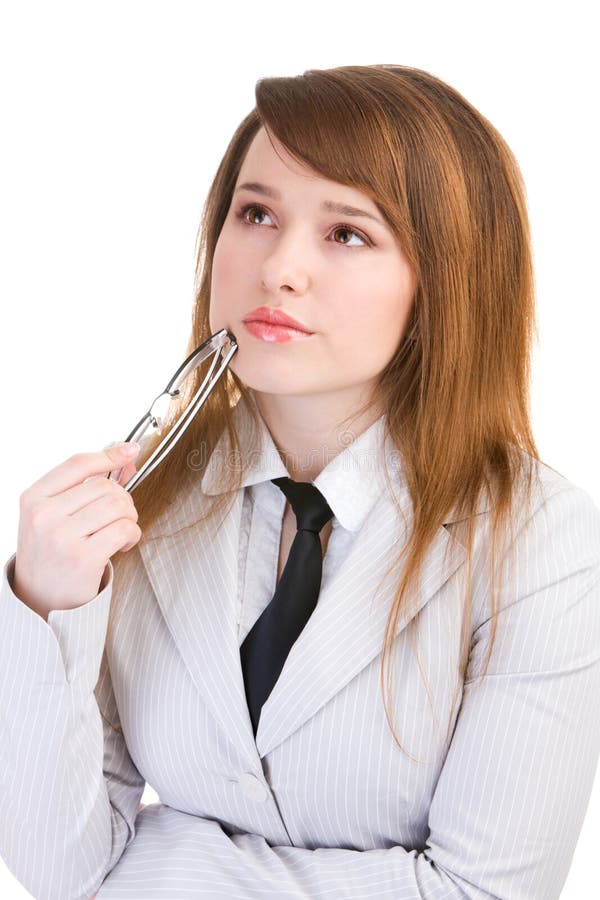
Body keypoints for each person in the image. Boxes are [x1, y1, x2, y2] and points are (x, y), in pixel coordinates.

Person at [1, 63, 599, 900]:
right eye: (256, 213)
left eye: (347, 233)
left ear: (445, 283)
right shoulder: (146, 501)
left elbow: (484, 893)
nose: (278, 267)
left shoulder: (546, 544)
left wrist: (157, 861)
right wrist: (43, 606)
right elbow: (66, 867)